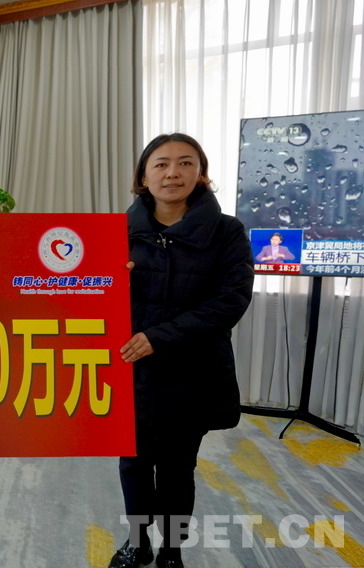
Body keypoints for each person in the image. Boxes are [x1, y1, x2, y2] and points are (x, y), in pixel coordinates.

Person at [109, 133, 254, 568]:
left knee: (177, 467)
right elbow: (86, 299)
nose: (173, 173)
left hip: (193, 372)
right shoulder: (114, 234)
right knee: (133, 464)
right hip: (131, 372)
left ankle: (171, 549)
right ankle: (138, 542)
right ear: (143, 176)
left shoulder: (227, 231)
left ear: (200, 173)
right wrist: (110, 282)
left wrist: (160, 337)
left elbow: (231, 300)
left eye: (185, 163)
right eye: (161, 164)